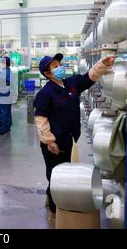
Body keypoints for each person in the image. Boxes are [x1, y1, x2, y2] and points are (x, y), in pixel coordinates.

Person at [34, 53, 115, 226]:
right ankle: (55, 213)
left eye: (59, 64)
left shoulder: (70, 83)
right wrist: (49, 141)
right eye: (55, 66)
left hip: (68, 139)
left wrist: (103, 64)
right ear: (47, 73)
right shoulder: (45, 93)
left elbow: (89, 77)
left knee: (60, 172)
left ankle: (50, 197)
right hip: (54, 143)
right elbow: (41, 120)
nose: (60, 67)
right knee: (55, 177)